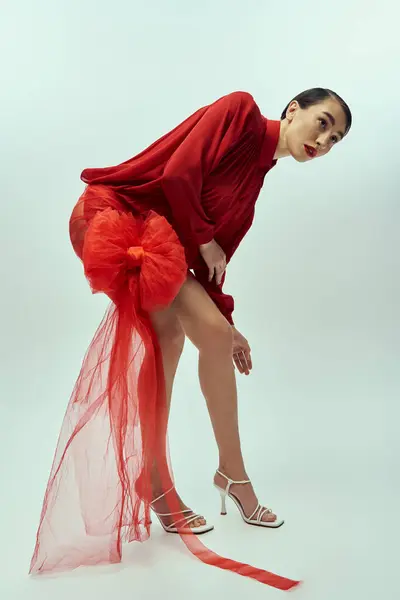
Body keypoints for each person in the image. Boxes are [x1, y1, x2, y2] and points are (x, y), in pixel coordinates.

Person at [29, 88, 352, 589]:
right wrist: (207, 262)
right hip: (115, 216)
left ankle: (157, 480)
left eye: (335, 139)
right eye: (323, 122)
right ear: (293, 111)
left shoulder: (251, 196)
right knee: (196, 338)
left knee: (174, 341)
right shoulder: (240, 112)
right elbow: (179, 175)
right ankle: (228, 474)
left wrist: (228, 323)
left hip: (163, 247)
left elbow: (210, 270)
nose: (325, 139)